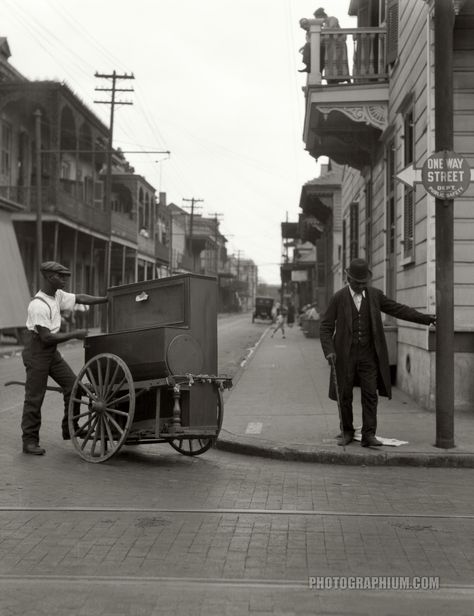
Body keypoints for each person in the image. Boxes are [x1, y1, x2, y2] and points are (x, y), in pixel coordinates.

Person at [319, 258, 436, 448]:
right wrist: (329, 351)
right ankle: (347, 431)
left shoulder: (374, 296)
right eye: (357, 282)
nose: (361, 286)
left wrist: (425, 319)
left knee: (370, 394)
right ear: (348, 279)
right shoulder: (338, 298)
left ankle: (369, 434)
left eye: (364, 282)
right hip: (345, 356)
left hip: (369, 355)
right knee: (345, 394)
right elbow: (325, 327)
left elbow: (398, 309)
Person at [21, 261, 108, 455]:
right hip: (37, 351)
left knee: (74, 386)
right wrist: (74, 334)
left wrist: (106, 299)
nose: (65, 280)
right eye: (61, 277)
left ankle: (70, 428)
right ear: (49, 277)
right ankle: (29, 441)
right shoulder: (37, 305)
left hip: (50, 352)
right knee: (35, 397)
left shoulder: (57, 295)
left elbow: (80, 298)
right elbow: (46, 337)